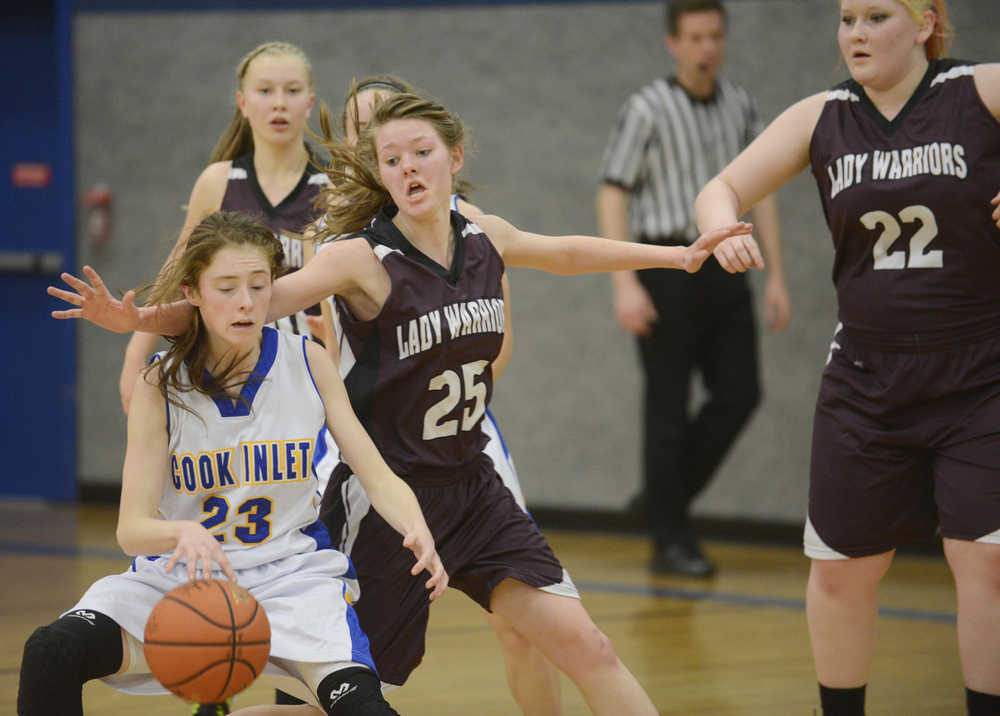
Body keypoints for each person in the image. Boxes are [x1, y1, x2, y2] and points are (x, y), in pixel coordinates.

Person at [47, 90, 755, 715]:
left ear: (453, 156)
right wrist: (136, 321)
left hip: (475, 490)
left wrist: (677, 256)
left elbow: (565, 251)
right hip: (386, 503)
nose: (409, 168)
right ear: (380, 175)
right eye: (392, 159)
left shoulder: (485, 237)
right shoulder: (360, 256)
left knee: (591, 648)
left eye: (422, 152)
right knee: (334, 704)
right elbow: (250, 304)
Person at [693, 1, 1000, 713]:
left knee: (984, 560)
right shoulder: (821, 115)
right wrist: (722, 226)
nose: (855, 33)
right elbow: (721, 187)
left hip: (980, 375)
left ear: (925, 22)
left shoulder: (978, 89)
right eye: (846, 18)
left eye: (877, 16)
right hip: (867, 379)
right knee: (841, 572)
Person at [22, 211, 447, 716]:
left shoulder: (307, 361)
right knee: (51, 652)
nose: (246, 302)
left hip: (292, 579)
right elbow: (131, 530)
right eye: (226, 287)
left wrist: (416, 526)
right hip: (182, 578)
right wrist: (179, 535)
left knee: (365, 709)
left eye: (258, 285)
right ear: (193, 293)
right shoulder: (160, 386)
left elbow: (376, 474)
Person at [596, 0, 791, 578]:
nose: (707, 46)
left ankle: (663, 498)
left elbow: (764, 192)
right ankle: (670, 536)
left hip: (727, 268)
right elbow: (613, 192)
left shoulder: (740, 104)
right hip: (666, 266)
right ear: (673, 43)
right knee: (667, 407)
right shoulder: (646, 108)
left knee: (741, 392)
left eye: (715, 36)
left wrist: (776, 275)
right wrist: (624, 282)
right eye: (696, 36)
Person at [119, 41, 335, 416]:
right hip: (225, 370)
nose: (279, 102)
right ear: (243, 102)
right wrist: (133, 357)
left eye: (292, 90)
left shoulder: (335, 186)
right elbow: (176, 272)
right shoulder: (217, 181)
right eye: (265, 90)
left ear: (310, 103)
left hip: (307, 371)